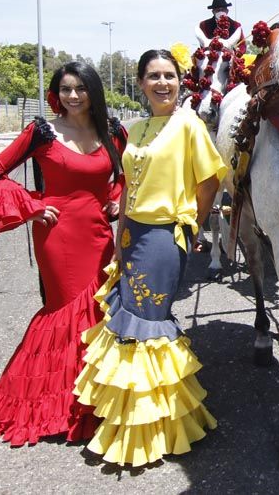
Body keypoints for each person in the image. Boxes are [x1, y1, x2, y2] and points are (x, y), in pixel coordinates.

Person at [74, 47, 227, 467]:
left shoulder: (189, 125)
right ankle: (148, 419)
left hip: (163, 237)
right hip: (132, 233)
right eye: (153, 76)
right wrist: (121, 228)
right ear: (141, 83)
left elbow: (210, 180)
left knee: (146, 322)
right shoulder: (137, 127)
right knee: (130, 320)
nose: (162, 83)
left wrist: (193, 223)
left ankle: (149, 432)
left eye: (170, 76)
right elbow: (128, 183)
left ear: (181, 82)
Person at [0, 61, 126, 446]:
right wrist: (32, 206)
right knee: (68, 308)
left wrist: (115, 200)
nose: (73, 96)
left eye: (80, 88)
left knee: (99, 309)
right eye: (66, 88)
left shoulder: (112, 131)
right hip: (57, 233)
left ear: (93, 91)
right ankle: (62, 405)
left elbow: (121, 176)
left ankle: (97, 400)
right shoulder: (42, 131)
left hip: (98, 232)